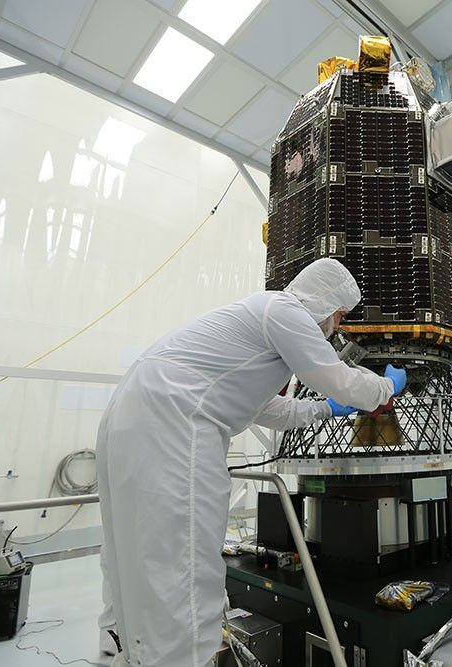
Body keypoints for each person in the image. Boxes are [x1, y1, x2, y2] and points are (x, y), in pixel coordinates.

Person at [97, 258, 406, 667]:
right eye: (339, 315)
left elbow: (271, 409)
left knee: (132, 553)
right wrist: (385, 386)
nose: (337, 326)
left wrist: (328, 411)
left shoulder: (252, 329)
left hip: (130, 417)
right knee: (183, 565)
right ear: (325, 300)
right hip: (173, 422)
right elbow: (337, 377)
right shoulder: (286, 310)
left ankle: (121, 655)